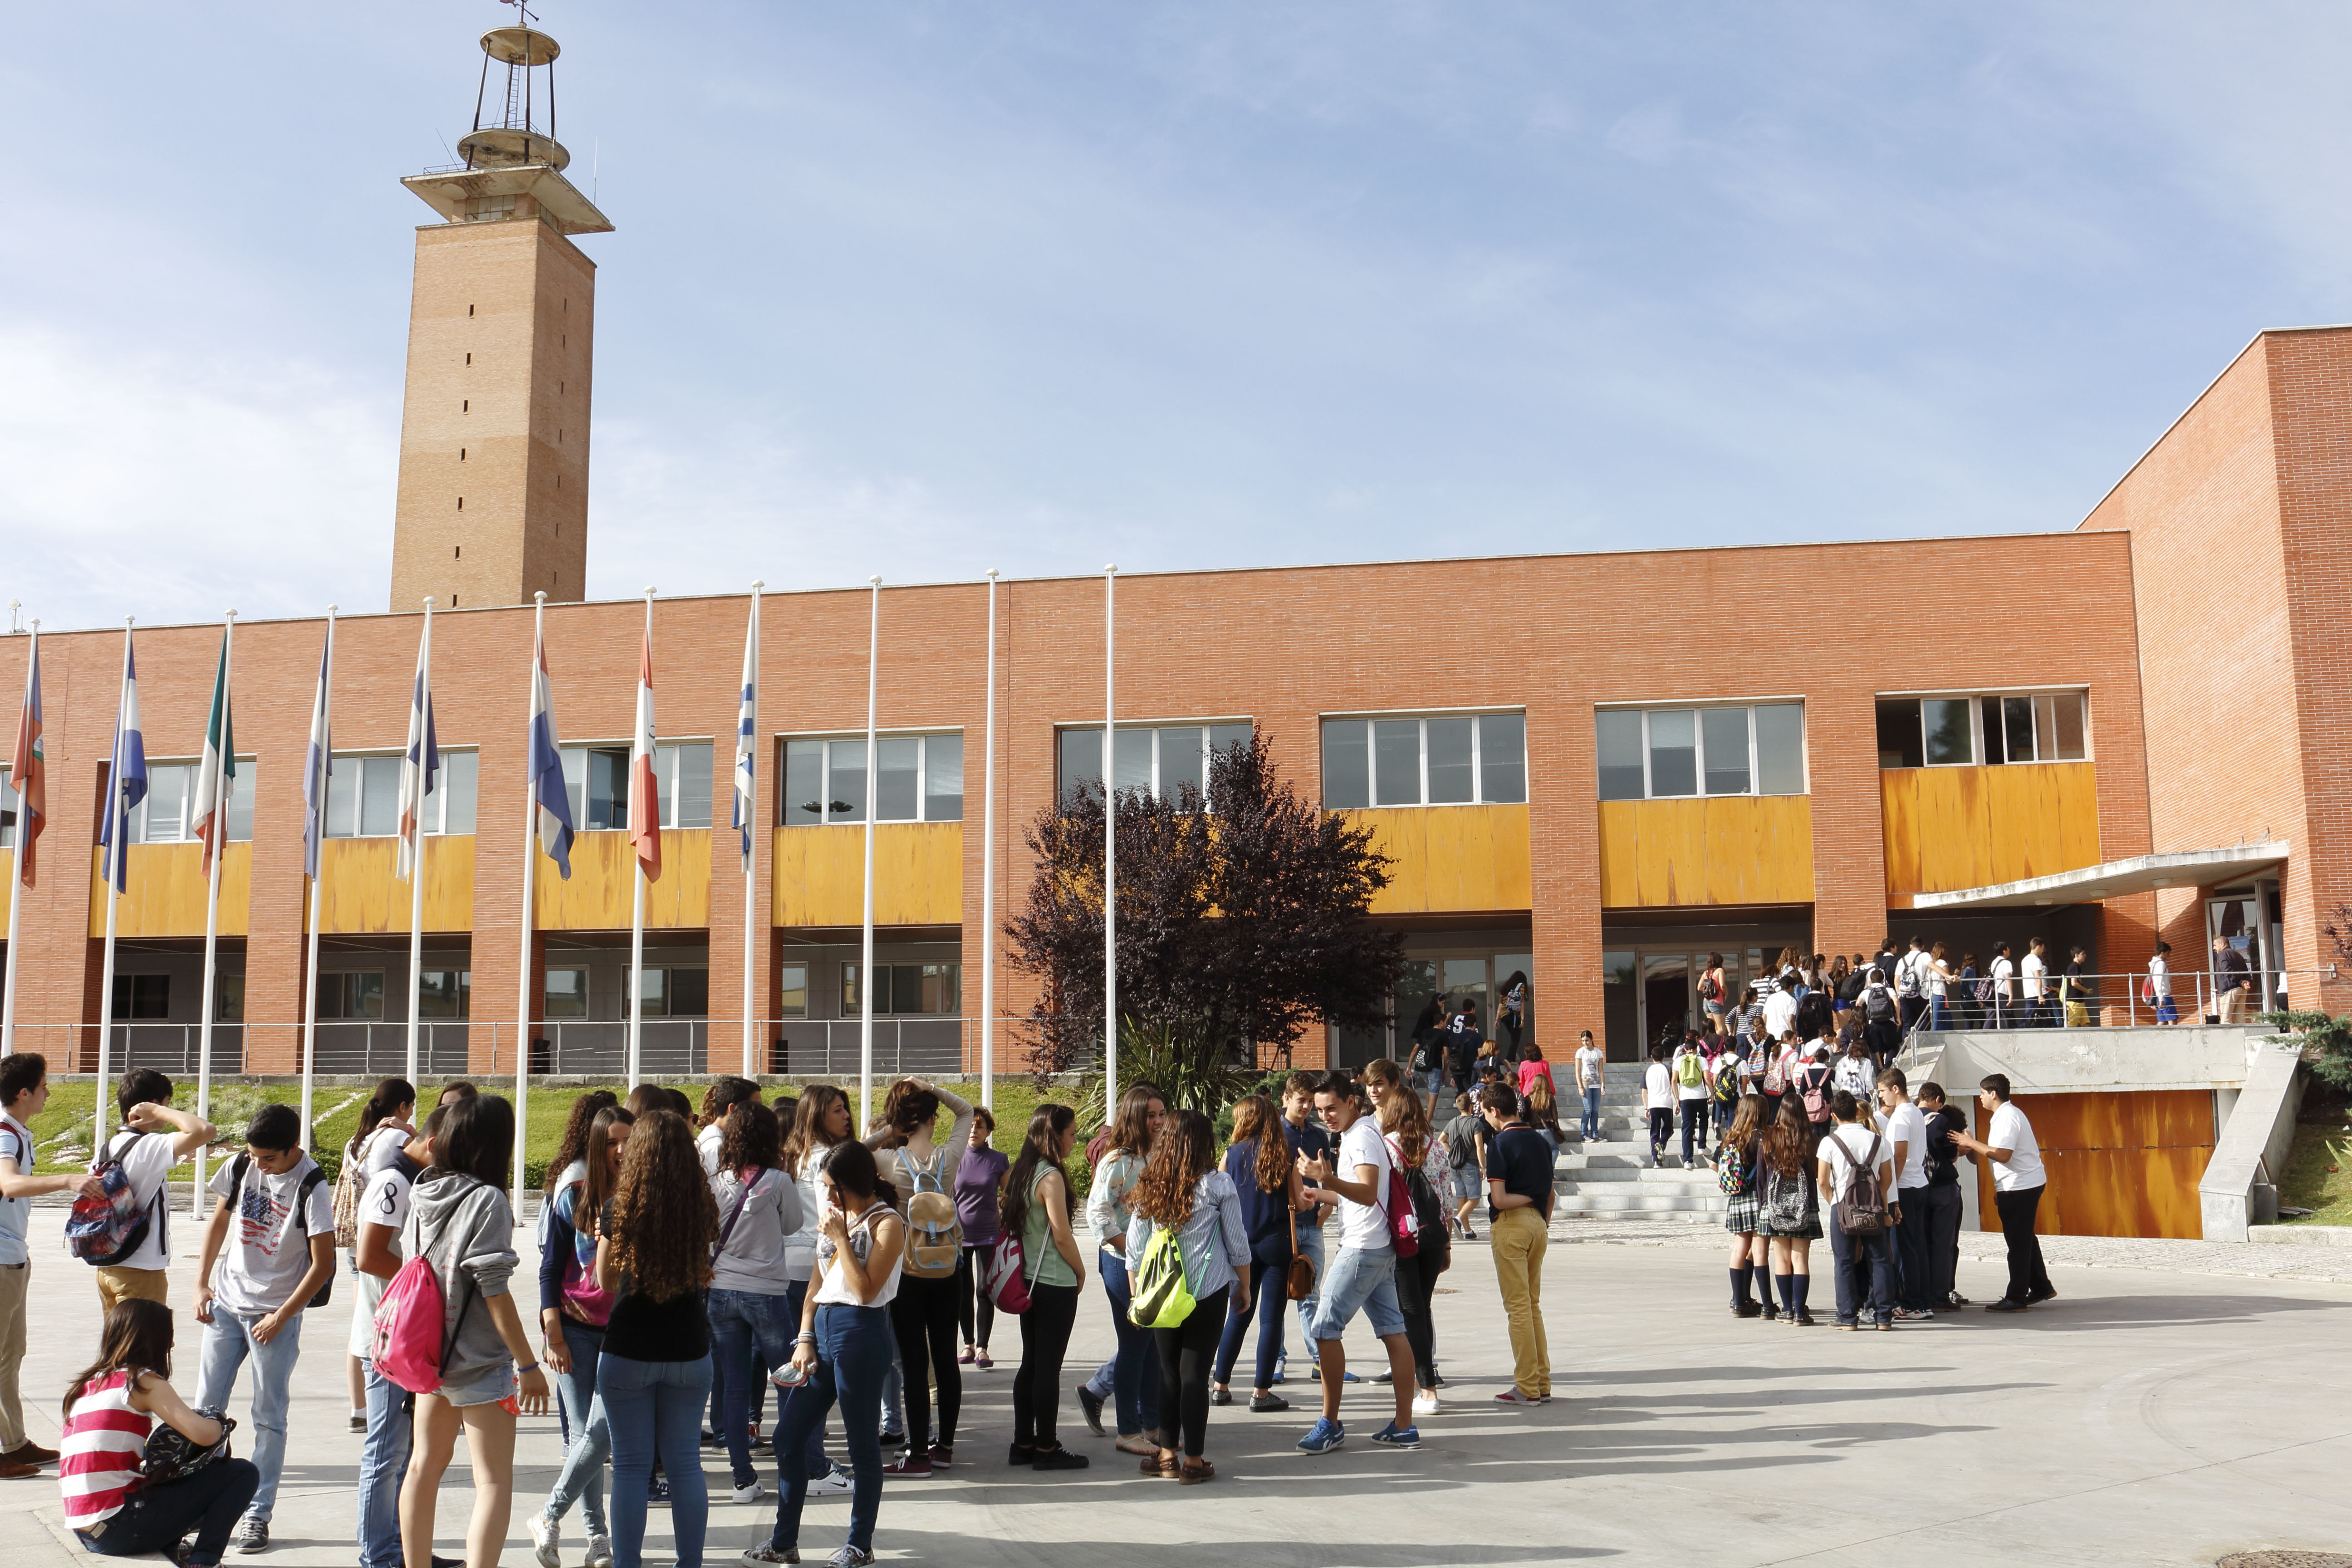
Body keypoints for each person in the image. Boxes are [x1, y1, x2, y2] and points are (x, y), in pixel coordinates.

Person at [398, 1096, 550, 1568]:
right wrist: (528, 1365)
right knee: (493, 1481)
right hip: (480, 1362)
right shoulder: (487, 1199)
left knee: (423, 1468)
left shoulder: (423, 1189)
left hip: (429, 1357)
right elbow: (495, 1292)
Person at [193, 1102, 337, 1552]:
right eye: (254, 1155)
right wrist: (201, 1283)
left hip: (274, 1315)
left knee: (268, 1418)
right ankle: (200, 1505)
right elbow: (220, 1220)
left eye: (268, 1159)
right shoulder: (241, 1164)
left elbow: (324, 1263)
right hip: (226, 1305)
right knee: (204, 1414)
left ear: (293, 1148)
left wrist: (283, 1316)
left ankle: (258, 1514)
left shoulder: (312, 1184)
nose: (259, 1165)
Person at [758, 1141, 902, 1568]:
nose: (827, 1197)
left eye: (832, 1187)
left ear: (851, 1184)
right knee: (787, 1437)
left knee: (862, 1446)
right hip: (822, 1333)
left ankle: (860, 1545)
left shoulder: (888, 1223)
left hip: (861, 1333)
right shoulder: (838, 1217)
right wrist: (804, 1337)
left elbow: (866, 1289)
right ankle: (784, 1543)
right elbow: (815, 1288)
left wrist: (841, 1238)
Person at [593, 1108, 718, 1568]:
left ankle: (628, 1563)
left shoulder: (619, 1209)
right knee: (685, 1464)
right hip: (689, 1347)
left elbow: (605, 1281)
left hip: (629, 1347)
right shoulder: (703, 1207)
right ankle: (690, 1563)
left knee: (629, 1466)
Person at [60, 1298, 261, 1567]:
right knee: (241, 1474)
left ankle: (170, 1542)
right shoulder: (142, 1382)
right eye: (170, 1337)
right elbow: (205, 1436)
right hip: (119, 1528)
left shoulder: (86, 1386)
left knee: (162, 1477)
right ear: (153, 1338)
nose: (172, 1345)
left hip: (89, 1533)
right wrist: (217, 1421)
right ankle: (205, 1560)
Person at [1294, 1073, 1420, 1453]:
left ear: (1352, 1101)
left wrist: (1328, 1178)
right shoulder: (1358, 1133)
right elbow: (1361, 1196)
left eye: (1332, 1107)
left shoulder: (1362, 1136)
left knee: (1324, 1328)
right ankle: (1404, 1426)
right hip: (1378, 1247)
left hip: (1363, 1249)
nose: (1326, 1116)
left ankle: (1330, 1423)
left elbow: (1366, 1193)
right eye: (1320, 1110)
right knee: (1394, 1332)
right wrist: (1323, 1192)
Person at [534, 1104, 635, 1566]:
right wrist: (551, 1328)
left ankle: (551, 1516)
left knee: (602, 1430)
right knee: (583, 1434)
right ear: (596, 1146)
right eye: (611, 1142)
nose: (620, 1150)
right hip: (573, 1326)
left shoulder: (640, 1191)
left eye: (627, 1141)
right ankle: (598, 1540)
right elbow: (551, 1264)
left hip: (623, 1328)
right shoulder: (574, 1190)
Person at [1123, 1108, 1248, 1484]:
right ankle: (1194, 1462)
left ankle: (1165, 1456)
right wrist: (1244, 1286)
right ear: (1205, 1143)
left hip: (1162, 1292)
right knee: (1195, 1373)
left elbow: (1134, 1248)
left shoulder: (1151, 1184)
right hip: (1208, 1291)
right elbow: (1238, 1245)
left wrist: (1137, 1296)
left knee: (1168, 1372)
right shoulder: (1218, 1184)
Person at [0, 1052, 106, 1481]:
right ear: (24, 1093)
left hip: (13, 1257)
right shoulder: (5, 1134)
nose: (48, 1092)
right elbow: (9, 1183)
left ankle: (14, 1442)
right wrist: (68, 1180)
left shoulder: (18, 1132)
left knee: (11, 1356)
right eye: (44, 1085)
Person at [864, 1078, 974, 1477]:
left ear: (902, 1121)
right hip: (949, 1269)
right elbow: (967, 1112)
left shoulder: (889, 1161)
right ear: (933, 1116)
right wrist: (933, 1087)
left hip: (908, 1272)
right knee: (947, 1359)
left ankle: (919, 1456)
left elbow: (846, 1156)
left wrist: (889, 1131)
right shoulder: (950, 1157)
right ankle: (945, 1447)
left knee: (914, 1364)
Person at [353, 1102, 443, 1568]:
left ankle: (408, 1550)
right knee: (386, 1453)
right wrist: (427, 1284)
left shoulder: (412, 1178)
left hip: (404, 1334)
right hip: (390, 1339)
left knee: (405, 1452)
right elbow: (368, 1256)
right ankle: (379, 1554)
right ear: (432, 1142)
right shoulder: (395, 1180)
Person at [706, 1102, 804, 1501]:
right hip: (766, 1290)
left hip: (721, 1290)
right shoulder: (779, 1181)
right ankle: (793, 1466)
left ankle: (742, 1478)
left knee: (732, 1387)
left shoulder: (714, 1179)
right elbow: (793, 1225)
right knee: (787, 1380)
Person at [772, 1091, 858, 1507]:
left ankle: (804, 1458)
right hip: (813, 1268)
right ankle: (813, 1464)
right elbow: (831, 1221)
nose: (847, 1115)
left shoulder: (792, 1154)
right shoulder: (827, 1160)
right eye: (838, 1110)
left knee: (794, 1369)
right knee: (810, 1370)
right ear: (818, 1116)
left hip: (786, 1265)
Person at [1078, 1083, 1164, 1459]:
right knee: (1134, 1346)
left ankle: (1152, 1424)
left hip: (1156, 1265)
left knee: (1153, 1349)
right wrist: (1130, 1247)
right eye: (1151, 1115)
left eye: (1162, 1114)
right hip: (1121, 1265)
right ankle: (1128, 1430)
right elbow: (1097, 1213)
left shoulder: (1158, 1153)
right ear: (1134, 1118)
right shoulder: (1120, 1161)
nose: (1159, 1121)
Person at [1003, 1104, 1089, 1469]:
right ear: (1054, 1135)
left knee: (1031, 1362)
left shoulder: (1021, 1172)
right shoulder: (1050, 1177)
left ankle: (1024, 1442)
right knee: (1048, 1368)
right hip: (1055, 1280)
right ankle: (1047, 1447)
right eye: (1070, 1134)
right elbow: (1062, 1234)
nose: (1074, 1140)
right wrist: (1081, 1272)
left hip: (1028, 1281)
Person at [88, 1069, 216, 1313]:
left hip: (108, 1266)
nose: (168, 1111)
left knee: (118, 1347)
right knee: (145, 1349)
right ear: (151, 1104)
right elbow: (205, 1130)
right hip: (140, 1269)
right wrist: (158, 1112)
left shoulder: (106, 1149)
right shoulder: (149, 1146)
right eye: (167, 1103)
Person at [1210, 1095, 1302, 1413]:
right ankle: (1261, 1393)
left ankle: (1220, 1385)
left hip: (1240, 1245)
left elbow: (1216, 1196)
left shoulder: (1231, 1155)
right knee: (1271, 1320)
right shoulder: (1284, 1154)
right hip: (1277, 1242)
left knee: (1238, 1314)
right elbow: (1301, 1201)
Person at [340, 1078, 420, 1429]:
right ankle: (386, 1404)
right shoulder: (398, 1138)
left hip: (357, 1237)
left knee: (365, 1322)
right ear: (402, 1106)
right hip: (386, 1241)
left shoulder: (356, 1140)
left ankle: (360, 1409)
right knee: (385, 1326)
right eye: (411, 1106)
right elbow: (424, 1154)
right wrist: (407, 1130)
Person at [1951, 1075, 2056, 1313]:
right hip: (2018, 1184)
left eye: (1982, 1093)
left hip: (2021, 1186)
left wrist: (1971, 1142)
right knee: (2026, 1237)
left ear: (1993, 1094)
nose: (1980, 1098)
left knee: (2017, 1243)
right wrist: (2001, 1189)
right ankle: (2041, 1286)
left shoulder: (2007, 1117)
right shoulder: (2007, 1115)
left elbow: (2002, 1155)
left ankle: (2016, 1297)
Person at [1376, 1084, 1448, 1416]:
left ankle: (1427, 1390)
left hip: (1403, 1239)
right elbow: (1447, 1199)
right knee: (1422, 1307)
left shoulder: (1385, 1148)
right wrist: (1447, 1243)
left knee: (1411, 1312)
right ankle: (1426, 1378)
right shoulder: (1436, 1149)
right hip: (1433, 1238)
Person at [1480, 1089, 1553, 1406]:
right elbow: (1549, 1193)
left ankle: (1526, 1386)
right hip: (1539, 1224)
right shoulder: (1540, 1140)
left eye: (1484, 1112)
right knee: (1532, 1305)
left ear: (1495, 1110)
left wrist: (1526, 1198)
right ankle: (1541, 1380)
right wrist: (1538, 1209)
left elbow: (1499, 1199)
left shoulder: (1500, 1144)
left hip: (1512, 1223)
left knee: (1519, 1309)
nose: (1485, 1118)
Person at [1817, 1090, 1898, 1331]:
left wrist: (1835, 1200)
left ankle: (1847, 1316)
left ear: (1833, 1115)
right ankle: (1884, 1316)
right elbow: (1887, 1179)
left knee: (1844, 1261)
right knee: (1880, 1260)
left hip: (1842, 1206)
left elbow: (1822, 1181)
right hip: (1873, 1207)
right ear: (1856, 1112)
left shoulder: (1829, 1142)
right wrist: (1881, 1204)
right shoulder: (1879, 1140)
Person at [1276, 1071, 1338, 1381]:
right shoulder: (1274, 1134)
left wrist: (1328, 1206)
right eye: (1302, 1101)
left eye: (1311, 1103)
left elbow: (1328, 1175)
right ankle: (1276, 1361)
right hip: (1281, 1226)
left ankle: (1319, 1360)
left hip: (1312, 1225)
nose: (1307, 1108)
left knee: (1310, 1294)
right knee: (1275, 1297)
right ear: (1286, 1099)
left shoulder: (1318, 1136)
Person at [1755, 1097, 1819, 1326]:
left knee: (1782, 1258)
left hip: (1775, 1205)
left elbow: (1762, 1178)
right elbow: (1815, 1176)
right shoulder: (1811, 1140)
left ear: (1780, 1112)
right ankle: (1801, 1312)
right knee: (1800, 1258)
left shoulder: (1769, 1140)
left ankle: (1787, 1309)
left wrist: (1764, 1203)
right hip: (1805, 1204)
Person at [1875, 1068, 1932, 1320]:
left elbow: (1899, 1156)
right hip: (1919, 1182)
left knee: (1906, 1247)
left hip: (1906, 1186)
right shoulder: (1916, 1113)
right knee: (1917, 1245)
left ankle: (1912, 1303)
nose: (1880, 1097)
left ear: (1895, 1089)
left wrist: (1890, 1188)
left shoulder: (1900, 1117)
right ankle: (1922, 1300)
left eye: (1882, 1091)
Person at [954, 1107, 1007, 1370]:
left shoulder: (998, 1160)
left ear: (988, 1132)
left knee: (984, 1290)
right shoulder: (954, 1159)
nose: (974, 1130)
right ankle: (968, 1343)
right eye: (971, 1126)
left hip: (988, 1234)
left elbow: (1008, 1195)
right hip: (959, 1236)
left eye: (980, 1126)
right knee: (963, 1292)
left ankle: (983, 1349)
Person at [1914, 1083, 1971, 1309]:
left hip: (1918, 1187)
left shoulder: (1906, 1118)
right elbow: (1951, 1155)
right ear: (1938, 1099)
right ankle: (1940, 1294)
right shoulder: (1939, 1121)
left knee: (1922, 1242)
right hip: (1942, 1188)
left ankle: (1922, 1292)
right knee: (1943, 1244)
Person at [1719, 1095, 1770, 1318]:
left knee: (1739, 1248)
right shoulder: (1764, 1138)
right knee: (1759, 1251)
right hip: (1758, 1198)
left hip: (1737, 1198)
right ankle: (1768, 1304)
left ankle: (1739, 1301)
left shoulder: (1732, 1136)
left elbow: (1715, 1164)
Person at [696, 1078, 762, 1176]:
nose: (761, 1113)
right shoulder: (716, 1146)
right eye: (754, 1107)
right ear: (733, 1109)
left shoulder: (723, 1139)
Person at [1443, 1093, 1484, 1242]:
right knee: (1474, 1198)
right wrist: (1483, 1167)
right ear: (1471, 1106)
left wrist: (1453, 1151)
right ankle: (1458, 1219)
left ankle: (1468, 1231)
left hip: (1455, 1165)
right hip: (1470, 1164)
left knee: (1462, 1197)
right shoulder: (1475, 1123)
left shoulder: (1453, 1122)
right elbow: (1479, 1147)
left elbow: (1442, 1140)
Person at [1671, 1033, 1711, 1168]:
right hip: (1700, 1096)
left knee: (1687, 1128)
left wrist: (1677, 1098)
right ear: (1696, 1048)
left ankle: (1688, 1160)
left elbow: (1674, 1080)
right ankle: (1702, 1145)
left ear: (1685, 1049)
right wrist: (1712, 1093)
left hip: (1685, 1097)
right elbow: (1707, 1078)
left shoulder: (1678, 1061)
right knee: (1704, 1118)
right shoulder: (1702, 1060)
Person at [1407, 996, 1447, 1100]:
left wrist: (1409, 1067)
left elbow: (1415, 1051)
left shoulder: (1426, 1010)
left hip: (1421, 1038)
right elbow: (1446, 1055)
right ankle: (1429, 1115)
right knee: (1433, 1089)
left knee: (1422, 1055)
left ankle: (1414, 1076)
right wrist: (1445, 1071)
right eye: (1442, 1003)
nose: (1443, 1005)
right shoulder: (1435, 1011)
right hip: (1431, 1046)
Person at [1443, 1003, 1485, 1099]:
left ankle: (1460, 1104)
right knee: (1470, 1089)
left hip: (1456, 1067)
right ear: (1475, 1024)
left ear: (1464, 1024)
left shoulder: (1457, 1037)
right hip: (1470, 1068)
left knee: (1461, 1089)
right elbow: (1481, 1053)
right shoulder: (1477, 1036)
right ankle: (1469, 1107)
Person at [1642, 1045, 1674, 1169]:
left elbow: (1644, 1091)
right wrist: (1678, 1101)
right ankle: (1661, 1143)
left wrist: (1646, 1108)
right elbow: (1674, 1086)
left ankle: (1656, 1161)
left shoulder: (1648, 1071)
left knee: (1654, 1132)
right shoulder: (1668, 1069)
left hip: (1653, 1104)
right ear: (1664, 1056)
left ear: (1651, 1057)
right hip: (1667, 1103)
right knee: (1669, 1129)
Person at [2214, 934, 2254, 1025]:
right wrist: (2246, 982)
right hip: (2242, 990)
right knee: (2240, 1020)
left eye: (2215, 945)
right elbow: (2246, 970)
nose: (2214, 948)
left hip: (2230, 989)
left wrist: (2240, 982)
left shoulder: (2223, 954)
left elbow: (2226, 970)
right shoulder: (2238, 954)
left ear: (2222, 944)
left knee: (2226, 1019)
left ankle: (2227, 1039)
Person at [1573, 1030, 1604, 1142]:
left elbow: (1600, 1070)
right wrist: (1580, 1087)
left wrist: (1603, 1085)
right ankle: (1584, 1134)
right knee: (1588, 1109)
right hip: (1585, 1084)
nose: (1585, 1043)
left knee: (1595, 1110)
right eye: (1583, 1041)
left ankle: (1595, 1134)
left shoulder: (1598, 1052)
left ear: (1592, 1040)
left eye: (1587, 1040)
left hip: (1596, 1084)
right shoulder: (1580, 1052)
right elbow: (1577, 1071)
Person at [2058, 946, 2096, 1027]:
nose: (2085, 956)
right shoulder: (2074, 966)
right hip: (2075, 1001)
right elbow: (2074, 983)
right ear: (2077, 955)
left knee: (2086, 1024)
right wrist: (2086, 991)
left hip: (2080, 1001)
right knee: (2071, 1026)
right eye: (2083, 954)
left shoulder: (2076, 967)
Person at [1497, 971, 1529, 1059]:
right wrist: (1522, 1019)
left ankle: (1513, 1059)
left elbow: (1500, 1005)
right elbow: (1522, 1003)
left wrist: (1497, 1020)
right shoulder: (1521, 986)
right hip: (1514, 1016)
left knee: (1514, 1038)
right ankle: (1509, 1060)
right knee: (1516, 1040)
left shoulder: (1506, 988)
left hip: (1504, 1016)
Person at [2020, 937, 2050, 1029]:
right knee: (2050, 1017)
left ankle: (2021, 1030)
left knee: (2029, 1016)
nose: (2043, 951)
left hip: (2029, 993)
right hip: (2039, 994)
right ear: (2038, 947)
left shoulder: (2024, 960)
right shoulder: (2037, 960)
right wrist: (2041, 995)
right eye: (2042, 948)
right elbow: (2038, 978)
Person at [1987, 941, 2017, 1028]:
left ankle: (1985, 1033)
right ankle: (2015, 1036)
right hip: (2003, 992)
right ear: (2004, 951)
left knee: (1992, 1017)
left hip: (1995, 993)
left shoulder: (1994, 962)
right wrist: (2011, 996)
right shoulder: (2006, 963)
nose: (2009, 950)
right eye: (2008, 948)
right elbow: (2008, 979)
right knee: (2009, 1017)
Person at [1699, 952, 1730, 1035]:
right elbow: (1722, 985)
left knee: (1714, 1029)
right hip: (1716, 1002)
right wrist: (1726, 994)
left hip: (1706, 1002)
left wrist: (1709, 991)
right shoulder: (1720, 970)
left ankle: (1708, 1045)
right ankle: (1713, 1046)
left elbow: (1699, 988)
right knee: (1722, 1029)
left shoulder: (1706, 973)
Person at [2148, 941, 2177, 1024]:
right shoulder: (2161, 964)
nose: (2169, 956)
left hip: (2159, 996)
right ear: (2163, 953)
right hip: (2164, 996)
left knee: (2162, 1021)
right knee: (2173, 1020)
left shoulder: (2153, 964)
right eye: (2168, 953)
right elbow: (2158, 980)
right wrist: (2161, 999)